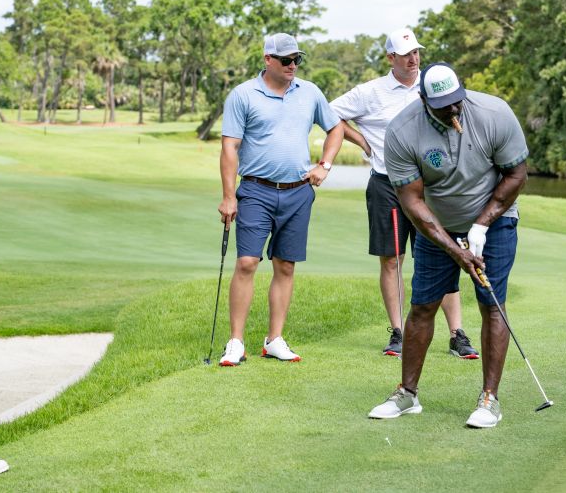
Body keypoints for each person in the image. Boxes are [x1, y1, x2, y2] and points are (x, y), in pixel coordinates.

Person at [368, 62, 529, 428]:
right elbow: (412, 202)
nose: (454, 110)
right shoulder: (403, 131)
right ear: (423, 99)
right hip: (436, 228)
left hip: (495, 222)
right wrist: (455, 249)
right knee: (423, 306)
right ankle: (407, 394)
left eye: (457, 101)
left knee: (492, 305)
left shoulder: (493, 114)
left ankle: (489, 399)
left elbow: (516, 174)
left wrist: (481, 226)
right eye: (443, 105)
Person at [330, 28, 478, 359]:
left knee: (446, 253)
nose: (413, 59)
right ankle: (398, 331)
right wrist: (363, 141)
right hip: (387, 184)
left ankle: (457, 333)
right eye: (406, 54)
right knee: (392, 259)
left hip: (432, 187)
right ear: (390, 58)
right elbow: (328, 114)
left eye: (416, 53)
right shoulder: (371, 92)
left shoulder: (432, 85)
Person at [217, 33, 343, 366]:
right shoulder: (243, 95)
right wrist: (229, 196)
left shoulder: (310, 92)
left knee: (285, 266)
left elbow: (336, 128)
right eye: (286, 60)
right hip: (256, 189)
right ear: (267, 60)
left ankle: (274, 339)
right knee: (247, 263)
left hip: (298, 192)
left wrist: (325, 165)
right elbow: (230, 147)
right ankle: (235, 342)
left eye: (296, 60)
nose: (292, 66)